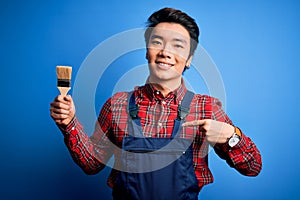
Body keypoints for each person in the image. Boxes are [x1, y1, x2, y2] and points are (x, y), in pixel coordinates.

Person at [50, 7, 262, 200]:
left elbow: (253, 167)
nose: (165, 52)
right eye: (157, 42)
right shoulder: (117, 105)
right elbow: (92, 164)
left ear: (189, 59)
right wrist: (69, 123)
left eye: (177, 46)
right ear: (147, 51)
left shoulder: (205, 108)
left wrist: (231, 136)